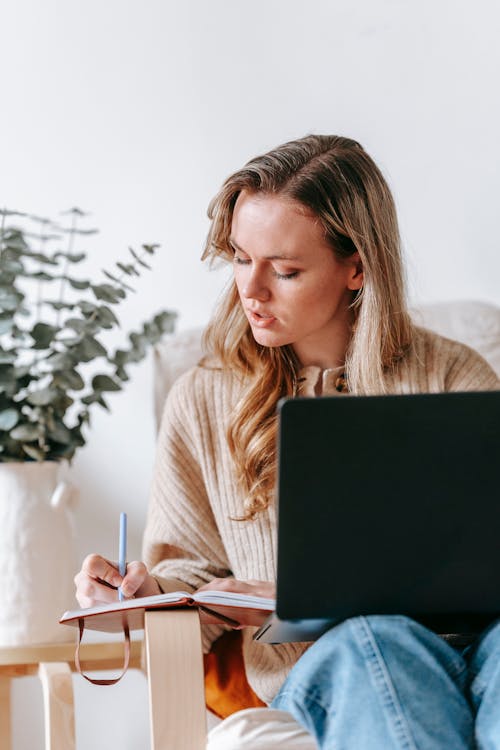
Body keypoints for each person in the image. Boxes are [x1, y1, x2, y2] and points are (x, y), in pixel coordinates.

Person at [75, 134, 500, 749]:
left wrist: (303, 595)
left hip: (476, 652)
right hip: (336, 666)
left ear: (358, 266)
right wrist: (143, 593)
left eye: (286, 270)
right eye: (241, 258)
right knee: (371, 639)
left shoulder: (455, 376)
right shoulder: (202, 398)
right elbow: (189, 569)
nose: (253, 290)